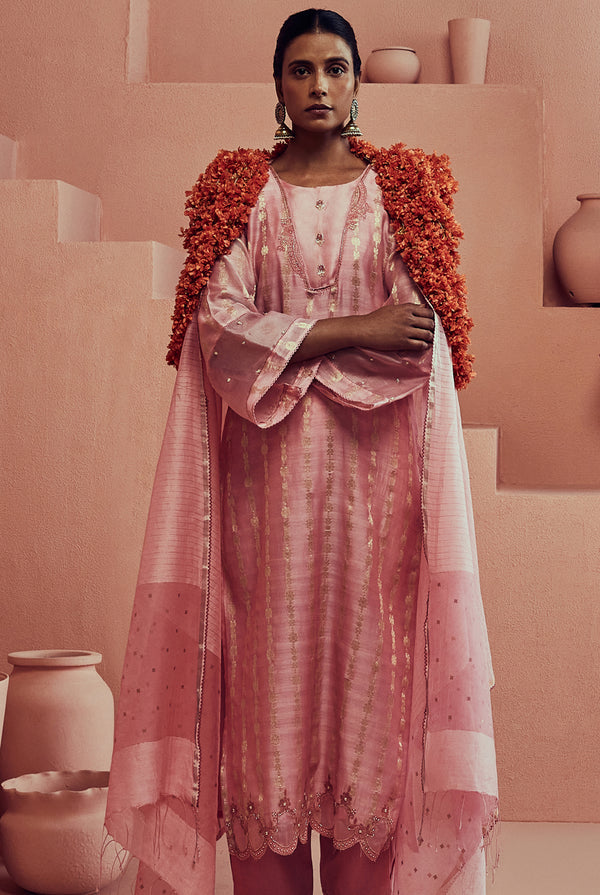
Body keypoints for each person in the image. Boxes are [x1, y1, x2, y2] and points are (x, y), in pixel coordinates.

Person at [105, 9, 498, 895]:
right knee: (267, 704)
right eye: (299, 69)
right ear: (276, 84)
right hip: (264, 505)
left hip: (378, 502)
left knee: (370, 688)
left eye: (335, 68)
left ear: (358, 81)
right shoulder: (240, 196)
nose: (318, 84)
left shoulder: (403, 192)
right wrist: (348, 329)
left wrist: (297, 347)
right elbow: (222, 331)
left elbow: (418, 337)